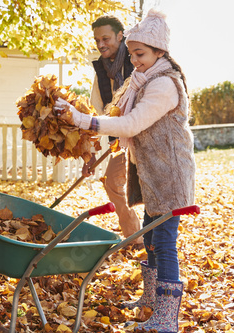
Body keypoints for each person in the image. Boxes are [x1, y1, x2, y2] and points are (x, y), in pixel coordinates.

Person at [56, 9, 195, 332]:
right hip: (149, 173)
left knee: (164, 241)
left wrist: (82, 121)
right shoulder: (143, 80)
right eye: (131, 54)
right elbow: (118, 116)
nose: (134, 61)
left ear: (160, 52)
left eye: (140, 54)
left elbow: (131, 123)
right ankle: (150, 299)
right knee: (149, 235)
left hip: (168, 174)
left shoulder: (164, 85)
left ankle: (166, 317)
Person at [86, 14, 142, 245]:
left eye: (106, 38)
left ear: (120, 36)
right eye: (97, 40)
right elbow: (95, 114)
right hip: (119, 141)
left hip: (144, 136)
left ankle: (156, 241)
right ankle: (134, 236)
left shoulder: (138, 60)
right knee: (112, 183)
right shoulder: (101, 72)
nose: (101, 45)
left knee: (148, 188)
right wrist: (89, 153)